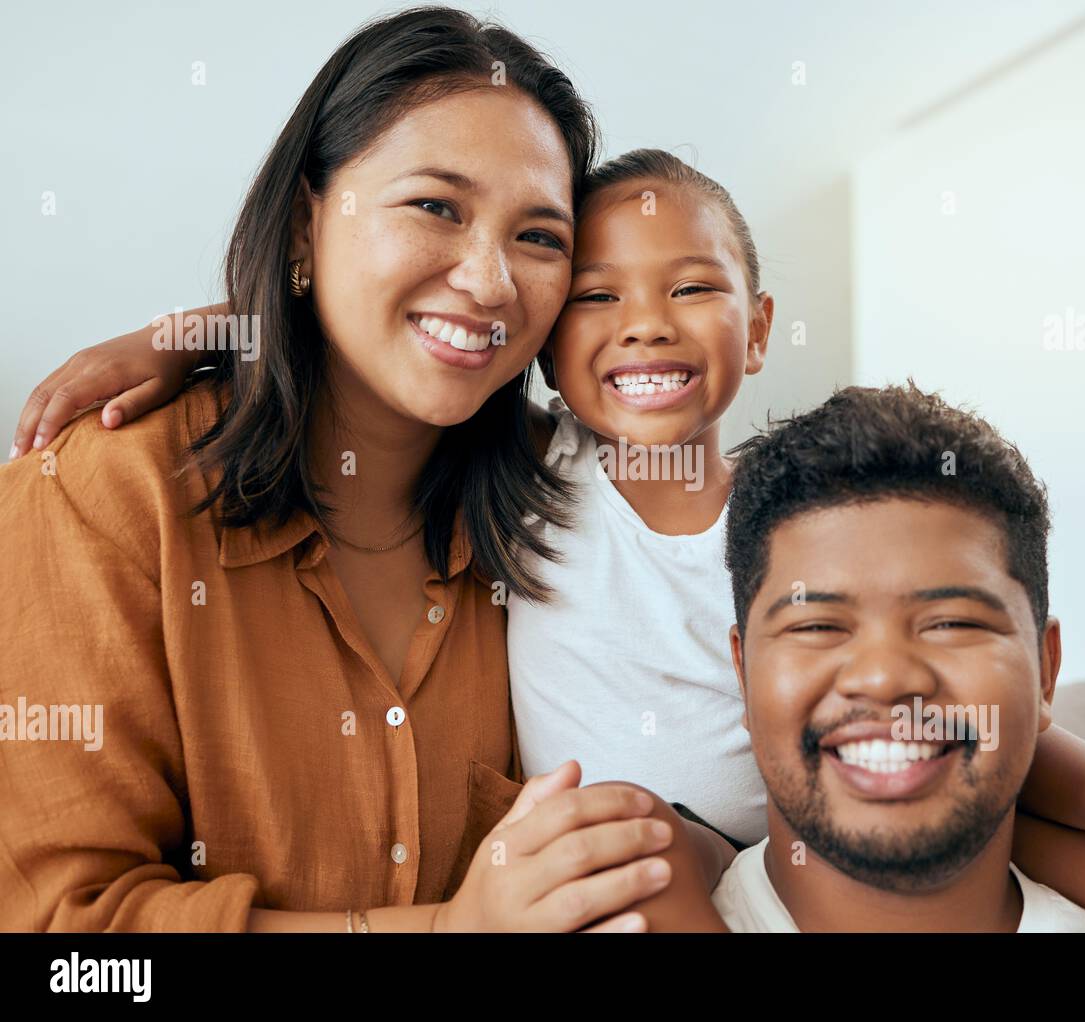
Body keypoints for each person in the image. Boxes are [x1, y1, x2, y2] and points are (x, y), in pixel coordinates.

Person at [0, 7, 718, 933]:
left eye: (539, 237)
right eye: (435, 207)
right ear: (309, 220)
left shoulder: (577, 500)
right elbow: (68, 945)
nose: (491, 280)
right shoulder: (97, 498)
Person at [712, 383, 1085, 931]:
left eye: (953, 623)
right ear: (742, 674)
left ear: (1046, 672)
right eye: (817, 625)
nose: (884, 677)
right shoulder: (657, 903)